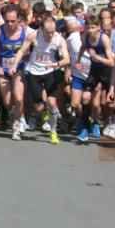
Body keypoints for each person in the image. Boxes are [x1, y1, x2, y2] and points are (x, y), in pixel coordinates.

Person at [11, 15, 70, 145]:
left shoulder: (59, 39)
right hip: (34, 71)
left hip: (50, 71)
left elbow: (67, 59)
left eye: (52, 31)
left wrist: (56, 64)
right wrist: (14, 65)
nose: (50, 34)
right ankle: (44, 110)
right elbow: (21, 51)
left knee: (53, 103)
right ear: (42, 29)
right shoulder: (34, 35)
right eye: (48, 32)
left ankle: (53, 132)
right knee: (38, 107)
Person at [0, 5, 29, 140]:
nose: (9, 24)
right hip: (3, 68)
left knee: (18, 98)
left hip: (18, 68)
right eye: (7, 21)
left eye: (13, 21)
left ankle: (17, 127)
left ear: (19, 19)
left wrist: (25, 55)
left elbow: (30, 52)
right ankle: (17, 114)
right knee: (8, 102)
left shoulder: (25, 33)